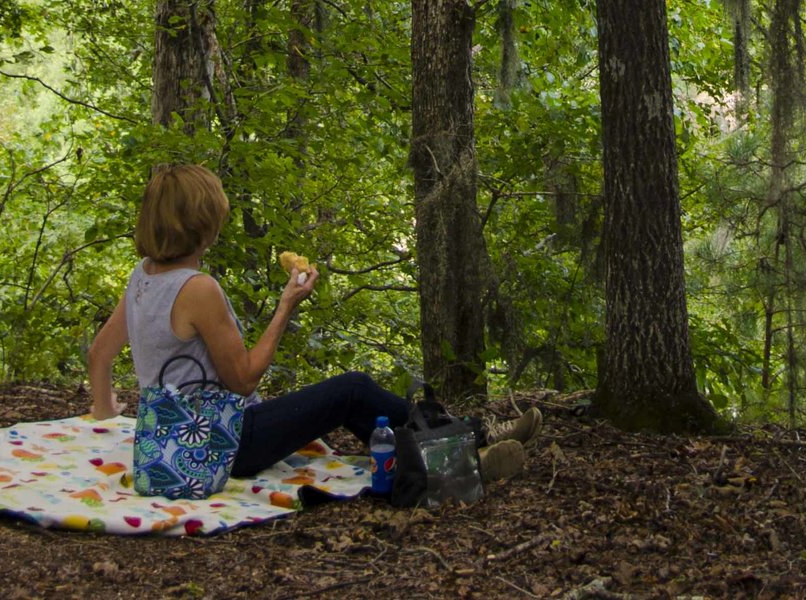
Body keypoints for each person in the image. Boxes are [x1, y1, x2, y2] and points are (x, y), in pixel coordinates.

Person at [86, 163, 539, 483]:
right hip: (224, 443)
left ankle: (453, 444)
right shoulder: (197, 288)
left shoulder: (142, 276)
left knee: (356, 401)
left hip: (177, 442)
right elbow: (242, 380)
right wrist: (286, 305)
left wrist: (106, 411)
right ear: (202, 225)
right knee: (353, 390)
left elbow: (99, 353)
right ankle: (463, 449)